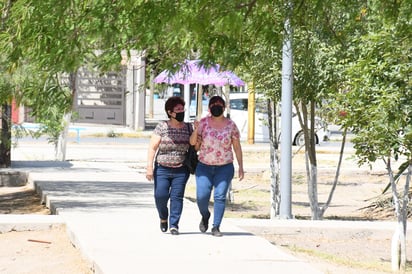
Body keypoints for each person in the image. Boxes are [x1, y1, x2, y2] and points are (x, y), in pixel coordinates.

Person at [190, 95, 244, 237]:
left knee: (220, 196)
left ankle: (216, 226)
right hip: (204, 166)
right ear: (209, 107)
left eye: (220, 104)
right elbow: (193, 145)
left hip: (224, 167)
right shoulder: (203, 123)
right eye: (214, 104)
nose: (216, 106)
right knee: (202, 197)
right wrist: (196, 130)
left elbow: (237, 147)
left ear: (224, 107)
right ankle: (205, 215)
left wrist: (241, 166)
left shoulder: (231, 125)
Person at [146, 96, 191, 235]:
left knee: (177, 197)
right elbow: (152, 147)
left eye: (182, 109)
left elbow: (195, 145)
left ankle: (174, 224)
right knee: (160, 196)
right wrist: (149, 167)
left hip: (181, 169)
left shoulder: (189, 127)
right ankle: (163, 217)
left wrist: (198, 130)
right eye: (178, 109)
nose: (181, 111)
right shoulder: (162, 126)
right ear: (170, 112)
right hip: (162, 168)